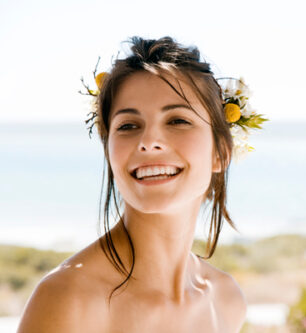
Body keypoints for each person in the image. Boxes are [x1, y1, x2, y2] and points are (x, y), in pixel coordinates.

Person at [17, 35, 266, 332]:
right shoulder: (69, 299)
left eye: (177, 121)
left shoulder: (226, 300)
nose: (149, 142)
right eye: (128, 126)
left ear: (220, 152)